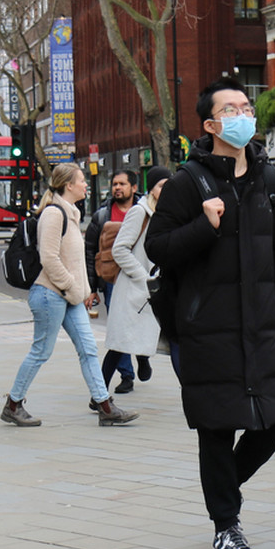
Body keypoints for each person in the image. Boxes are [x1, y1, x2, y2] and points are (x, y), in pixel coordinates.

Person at [145, 77, 275, 549]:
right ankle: (226, 525)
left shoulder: (270, 181)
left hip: (263, 324)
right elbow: (158, 249)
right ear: (212, 124)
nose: (244, 114)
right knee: (216, 428)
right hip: (206, 327)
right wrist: (203, 224)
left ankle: (222, 489)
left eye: (246, 107)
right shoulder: (185, 184)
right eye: (231, 109)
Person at [1, 163, 139, 428]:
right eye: (81, 180)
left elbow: (74, 260)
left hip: (69, 296)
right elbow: (49, 259)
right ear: (69, 185)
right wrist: (72, 288)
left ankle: (105, 407)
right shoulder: (54, 214)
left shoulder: (71, 213)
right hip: (50, 295)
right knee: (41, 351)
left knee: (88, 349)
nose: (86, 184)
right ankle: (13, 404)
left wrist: (82, 291)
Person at [102, 166, 172, 389]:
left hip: (154, 288)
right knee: (119, 345)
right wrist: (143, 277)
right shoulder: (139, 212)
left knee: (156, 337)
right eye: (162, 185)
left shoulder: (167, 212)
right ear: (151, 189)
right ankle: (99, 394)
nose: (167, 189)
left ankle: (143, 361)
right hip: (134, 288)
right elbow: (119, 249)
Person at [84, 170, 140, 391]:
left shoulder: (144, 212)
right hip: (112, 278)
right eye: (115, 184)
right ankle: (126, 374)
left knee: (141, 321)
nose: (117, 187)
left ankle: (143, 359)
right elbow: (90, 251)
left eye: (122, 184)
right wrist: (92, 288)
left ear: (133, 188)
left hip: (139, 276)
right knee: (118, 327)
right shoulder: (101, 216)